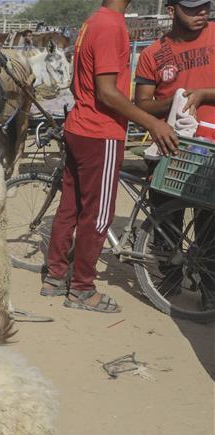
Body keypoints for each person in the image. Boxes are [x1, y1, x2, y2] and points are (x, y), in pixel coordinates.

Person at [41, 0, 179, 313]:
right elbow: (107, 92)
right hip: (99, 131)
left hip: (80, 126)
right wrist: (152, 122)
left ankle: (55, 277)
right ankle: (82, 289)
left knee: (71, 207)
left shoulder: (95, 21)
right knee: (99, 213)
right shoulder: (110, 25)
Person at [134, 0, 215, 311]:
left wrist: (205, 94)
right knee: (167, 221)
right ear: (172, 11)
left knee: (210, 224)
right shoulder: (154, 54)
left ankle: (210, 289)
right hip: (171, 147)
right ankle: (167, 282)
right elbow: (141, 103)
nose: (203, 13)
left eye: (206, 6)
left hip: (209, 149)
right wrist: (175, 101)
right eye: (193, 8)